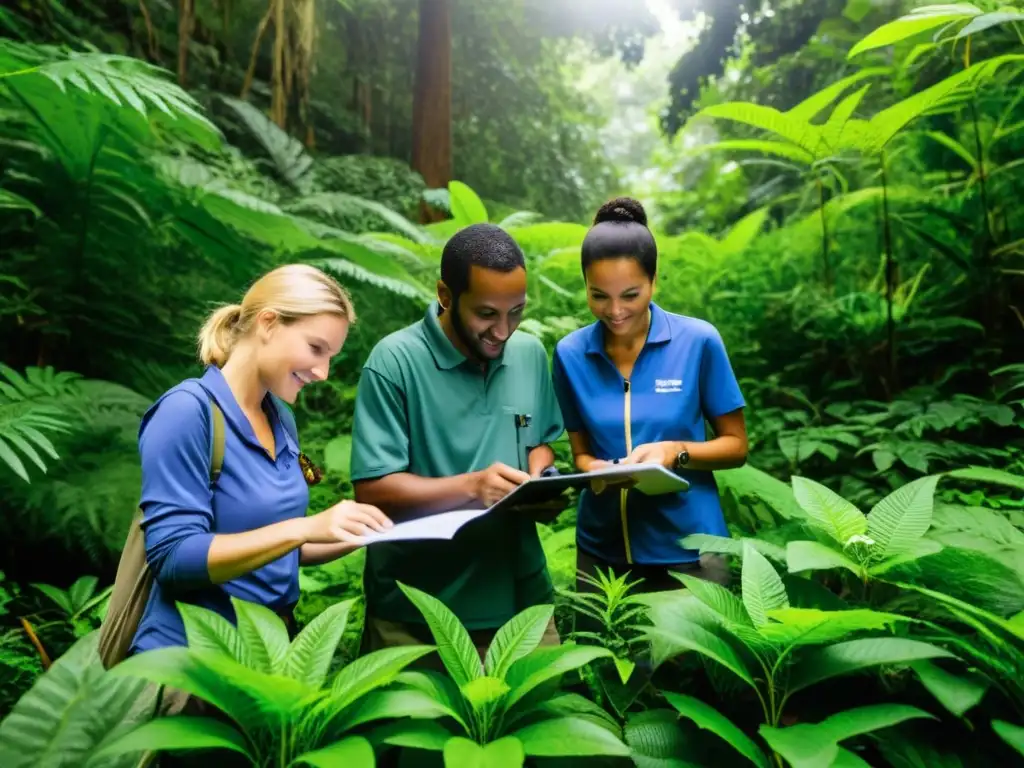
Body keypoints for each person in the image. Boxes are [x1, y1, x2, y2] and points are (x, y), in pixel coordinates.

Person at [129, 264, 392, 654]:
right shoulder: (187, 412)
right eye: (315, 348)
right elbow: (172, 559)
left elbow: (275, 548)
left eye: (331, 356)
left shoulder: (279, 415)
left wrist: (354, 533)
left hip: (270, 653)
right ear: (268, 324)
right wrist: (303, 528)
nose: (323, 372)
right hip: (193, 662)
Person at [350, 223, 565, 660]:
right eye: (486, 314)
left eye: (517, 311)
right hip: (415, 613)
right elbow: (372, 489)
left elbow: (540, 441)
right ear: (446, 296)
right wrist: (473, 487)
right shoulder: (394, 362)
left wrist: (543, 478)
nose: (503, 330)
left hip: (521, 599)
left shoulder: (529, 354)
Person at [551, 197, 748, 596]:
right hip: (601, 556)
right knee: (610, 659)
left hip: (689, 552)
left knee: (689, 661)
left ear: (654, 280)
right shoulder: (569, 355)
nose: (615, 310)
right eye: (598, 296)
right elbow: (581, 454)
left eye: (630, 294)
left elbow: (737, 446)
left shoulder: (698, 342)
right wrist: (596, 470)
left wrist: (674, 452)